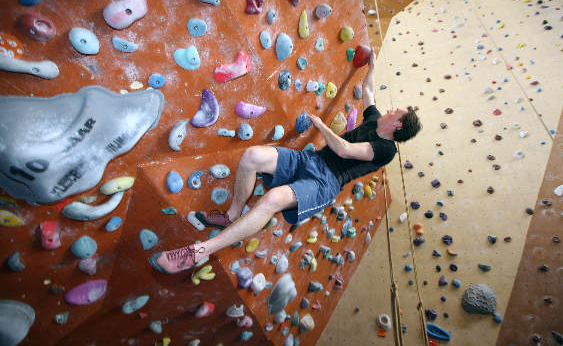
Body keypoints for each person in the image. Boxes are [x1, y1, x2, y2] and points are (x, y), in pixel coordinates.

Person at [149, 53, 422, 274]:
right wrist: (372, 66)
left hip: (325, 182)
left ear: (398, 124)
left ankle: (199, 252)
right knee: (252, 156)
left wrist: (321, 126)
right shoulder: (374, 120)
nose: (393, 108)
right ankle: (231, 216)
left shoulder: (386, 149)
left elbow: (344, 149)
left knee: (271, 200)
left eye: (399, 111)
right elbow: (369, 91)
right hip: (311, 160)